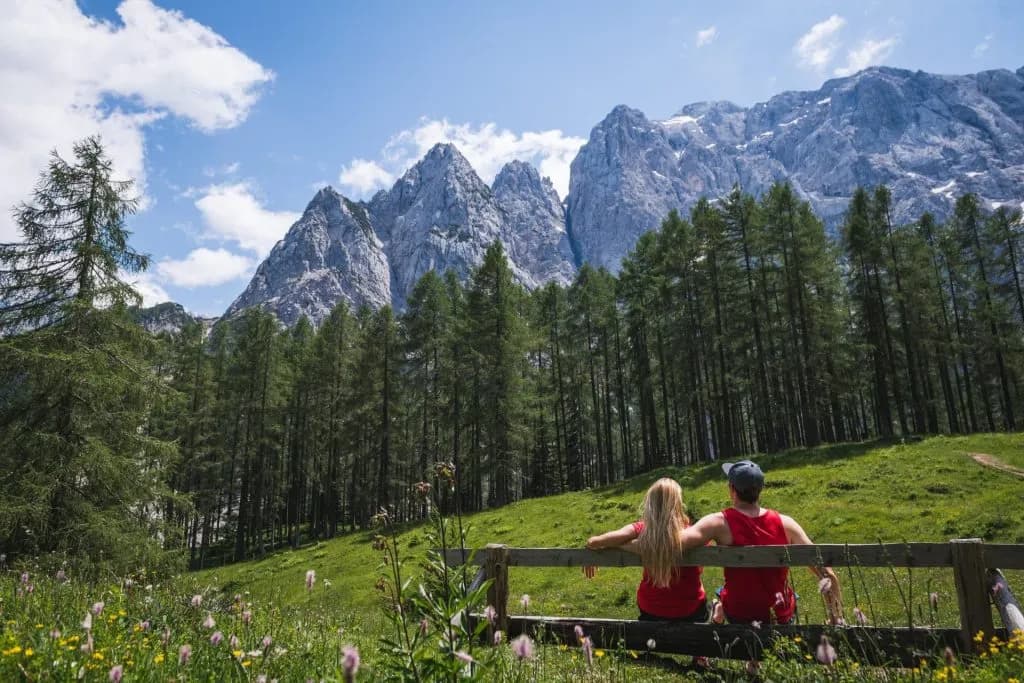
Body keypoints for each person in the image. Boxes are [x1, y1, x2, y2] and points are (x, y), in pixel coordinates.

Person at [679, 460, 843, 626]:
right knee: (790, 597)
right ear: (760, 490)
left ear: (732, 489)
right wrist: (835, 619)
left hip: (738, 614)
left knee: (723, 594)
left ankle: (719, 609)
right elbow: (827, 573)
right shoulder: (786, 524)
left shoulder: (719, 523)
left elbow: (679, 541)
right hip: (780, 615)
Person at [583, 477, 708, 623]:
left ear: (651, 504)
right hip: (689, 610)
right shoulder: (691, 534)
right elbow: (700, 567)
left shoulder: (641, 529)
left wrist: (606, 545)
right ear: (678, 504)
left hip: (650, 609)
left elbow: (596, 541)